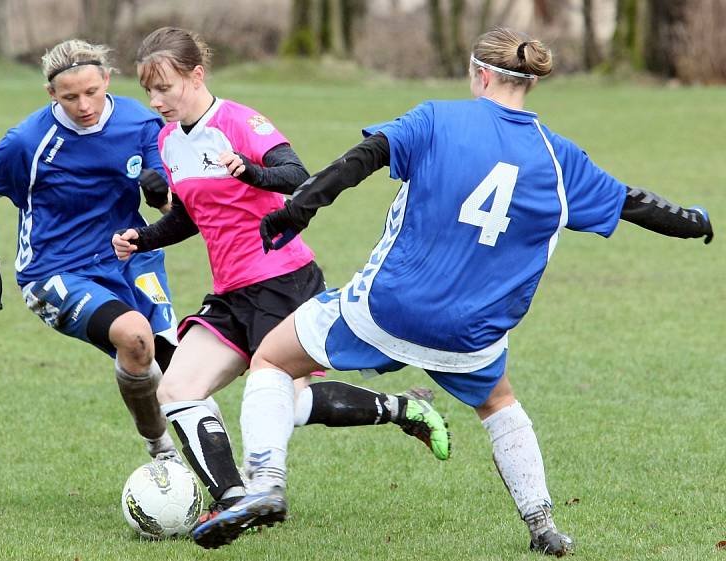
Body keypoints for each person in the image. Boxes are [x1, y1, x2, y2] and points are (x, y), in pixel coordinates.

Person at [191, 27, 715, 554]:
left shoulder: (436, 118)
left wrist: (295, 209)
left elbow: (360, 160)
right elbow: (635, 204)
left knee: (273, 361)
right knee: (500, 404)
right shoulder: (561, 159)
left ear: (481, 74)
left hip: (388, 308)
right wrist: (695, 222)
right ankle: (543, 527)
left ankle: (264, 486)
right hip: (472, 332)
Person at [111, 26, 452, 531]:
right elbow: (189, 217)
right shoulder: (169, 141)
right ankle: (233, 499)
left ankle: (401, 408)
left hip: (283, 279)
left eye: (166, 87)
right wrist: (143, 238)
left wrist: (248, 171)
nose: (157, 100)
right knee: (178, 387)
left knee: (281, 402)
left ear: (196, 74)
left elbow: (296, 175)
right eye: (150, 91)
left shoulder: (240, 121)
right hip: (230, 291)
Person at [0, 39, 184, 462]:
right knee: (135, 337)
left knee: (177, 369)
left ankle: (224, 477)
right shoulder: (25, 142)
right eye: (70, 96)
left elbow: (172, 208)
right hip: (55, 270)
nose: (83, 104)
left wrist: (161, 197)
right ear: (52, 94)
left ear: (107, 79)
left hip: (131, 256)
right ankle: (162, 452)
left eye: (92, 91)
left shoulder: (139, 124)